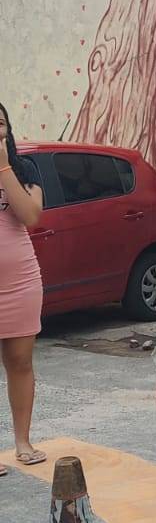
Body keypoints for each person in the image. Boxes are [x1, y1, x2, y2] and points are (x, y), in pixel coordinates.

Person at [0, 100, 46, 475]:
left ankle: (22, 441)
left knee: (20, 362)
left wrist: (3, 165)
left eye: (0, 122)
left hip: (20, 283)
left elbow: (30, 217)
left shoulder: (23, 168)